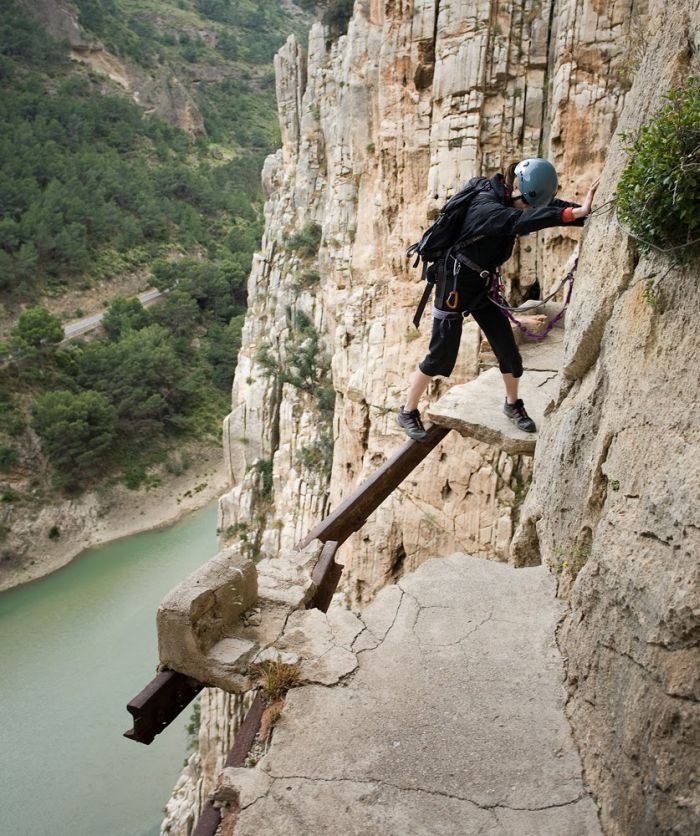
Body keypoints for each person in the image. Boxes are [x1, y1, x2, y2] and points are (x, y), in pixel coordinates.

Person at [397, 158, 600, 441]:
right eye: (532, 204)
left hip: (481, 284)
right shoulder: (489, 210)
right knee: (440, 355)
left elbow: (544, 209)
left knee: (508, 351)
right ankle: (407, 411)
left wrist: (584, 214)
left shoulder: (514, 197)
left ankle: (512, 404)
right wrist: (572, 214)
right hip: (454, 283)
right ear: (522, 195)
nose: (533, 209)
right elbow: (522, 220)